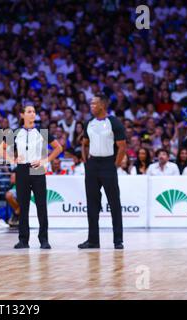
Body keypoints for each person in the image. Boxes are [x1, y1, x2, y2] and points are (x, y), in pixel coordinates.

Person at [0, 105, 63, 249]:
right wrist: (12, 160)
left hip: (37, 169)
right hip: (21, 170)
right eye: (29, 112)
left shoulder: (42, 131)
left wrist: (45, 160)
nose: (32, 114)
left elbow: (58, 148)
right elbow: (0, 148)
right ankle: (23, 240)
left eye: (34, 111)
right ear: (22, 115)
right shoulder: (15, 132)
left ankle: (44, 240)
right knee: (24, 206)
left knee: (41, 206)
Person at [79, 94, 126, 250]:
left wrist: (115, 165)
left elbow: (122, 147)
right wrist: (86, 161)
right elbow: (84, 143)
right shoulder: (89, 123)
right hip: (92, 165)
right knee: (92, 204)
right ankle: (93, 240)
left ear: (102, 105)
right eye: (91, 104)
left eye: (94, 104)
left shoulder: (114, 122)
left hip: (108, 164)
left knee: (114, 203)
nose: (91, 106)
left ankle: (117, 240)